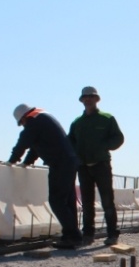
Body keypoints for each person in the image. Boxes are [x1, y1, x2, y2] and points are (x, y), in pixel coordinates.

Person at [7, 104, 83, 249]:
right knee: (67, 200)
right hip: (69, 160)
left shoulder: (34, 121)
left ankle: (73, 235)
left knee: (57, 200)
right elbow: (36, 146)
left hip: (60, 163)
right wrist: (27, 162)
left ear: (23, 117)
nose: (23, 125)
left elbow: (24, 141)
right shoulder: (42, 118)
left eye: (21, 123)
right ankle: (71, 235)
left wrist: (12, 160)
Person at [68, 86, 125, 245]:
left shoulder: (107, 119)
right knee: (87, 202)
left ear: (96, 99)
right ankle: (88, 235)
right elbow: (70, 141)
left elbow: (118, 138)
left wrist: (104, 146)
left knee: (107, 201)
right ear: (82, 100)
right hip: (84, 167)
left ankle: (112, 234)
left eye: (90, 96)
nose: (88, 99)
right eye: (85, 97)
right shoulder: (77, 123)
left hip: (101, 165)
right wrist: (75, 157)